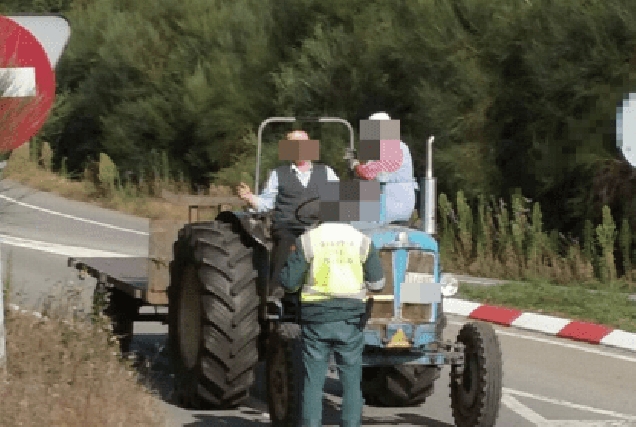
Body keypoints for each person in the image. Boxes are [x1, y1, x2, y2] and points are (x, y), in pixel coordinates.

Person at [279, 193, 386, 427]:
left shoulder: (308, 240)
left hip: (316, 320)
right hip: (349, 321)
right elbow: (378, 284)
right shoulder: (362, 241)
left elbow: (289, 283)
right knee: (351, 382)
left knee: (313, 382)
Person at [236, 129, 339, 296]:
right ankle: (277, 291)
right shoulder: (278, 174)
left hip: (319, 226)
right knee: (287, 243)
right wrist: (249, 197)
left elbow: (340, 198)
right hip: (288, 226)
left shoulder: (326, 172)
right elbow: (266, 203)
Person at [351, 112, 418, 224]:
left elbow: (374, 174)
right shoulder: (385, 147)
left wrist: (355, 165)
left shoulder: (394, 147)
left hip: (392, 203)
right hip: (388, 200)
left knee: (338, 210)